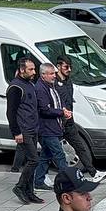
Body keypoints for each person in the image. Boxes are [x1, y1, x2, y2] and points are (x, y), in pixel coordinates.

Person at [55, 55, 106, 183]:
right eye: (66, 67)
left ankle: (94, 173)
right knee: (50, 152)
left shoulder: (68, 81)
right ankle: (40, 176)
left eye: (70, 67)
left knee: (80, 147)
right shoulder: (54, 83)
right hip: (58, 122)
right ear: (58, 67)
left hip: (69, 122)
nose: (69, 70)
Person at [6, 57, 45, 205]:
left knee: (32, 160)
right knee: (34, 160)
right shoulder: (15, 87)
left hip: (33, 128)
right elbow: (11, 112)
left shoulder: (29, 83)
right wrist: (16, 132)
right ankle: (20, 187)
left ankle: (29, 191)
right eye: (31, 69)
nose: (34, 72)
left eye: (34, 69)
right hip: (24, 130)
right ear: (22, 70)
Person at [31, 63, 69, 193]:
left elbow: (57, 101)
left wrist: (63, 109)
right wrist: (61, 112)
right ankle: (69, 181)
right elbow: (44, 110)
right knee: (59, 155)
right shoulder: (40, 89)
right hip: (47, 129)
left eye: (54, 73)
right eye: (51, 73)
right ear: (43, 75)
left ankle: (38, 181)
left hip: (53, 127)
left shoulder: (50, 86)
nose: (54, 76)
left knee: (46, 156)